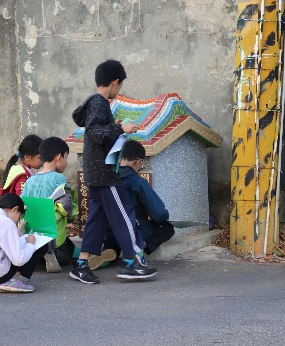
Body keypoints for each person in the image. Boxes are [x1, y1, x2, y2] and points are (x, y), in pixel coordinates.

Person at [69, 59, 158, 284]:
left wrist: (117, 130)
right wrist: (121, 128)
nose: (119, 91)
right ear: (115, 82)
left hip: (94, 172)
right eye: (120, 86)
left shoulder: (93, 102)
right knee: (123, 212)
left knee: (97, 219)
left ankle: (81, 264)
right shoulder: (100, 103)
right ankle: (133, 262)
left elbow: (94, 131)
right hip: (105, 173)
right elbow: (95, 133)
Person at [102, 140, 175, 260]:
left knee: (113, 240)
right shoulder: (137, 182)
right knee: (167, 228)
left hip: (109, 232)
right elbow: (159, 213)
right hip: (133, 232)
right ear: (138, 161)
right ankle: (138, 247)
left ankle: (109, 251)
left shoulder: (107, 180)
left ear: (120, 158)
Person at [21, 136, 81, 273]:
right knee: (70, 252)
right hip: (53, 238)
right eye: (66, 157)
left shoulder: (30, 180)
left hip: (32, 237)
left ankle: (35, 256)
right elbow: (65, 205)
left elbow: (22, 204)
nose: (66, 162)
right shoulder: (59, 178)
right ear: (59, 157)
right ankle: (50, 254)